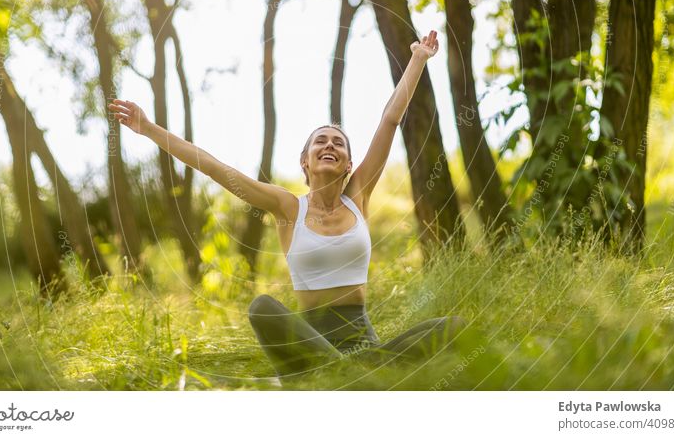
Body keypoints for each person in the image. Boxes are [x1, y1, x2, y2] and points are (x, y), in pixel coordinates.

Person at [108, 29, 465, 379]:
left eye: (339, 143)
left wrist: (418, 59)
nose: (330, 145)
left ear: (349, 165)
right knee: (263, 308)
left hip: (365, 345)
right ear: (305, 162)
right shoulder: (288, 207)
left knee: (455, 328)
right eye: (320, 142)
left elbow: (390, 119)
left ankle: (351, 378)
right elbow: (216, 167)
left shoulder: (359, 198)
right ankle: (350, 379)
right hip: (308, 348)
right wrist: (149, 129)